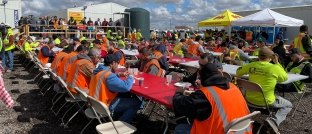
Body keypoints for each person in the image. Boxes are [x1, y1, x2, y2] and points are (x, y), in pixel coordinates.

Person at [173, 63, 251, 134]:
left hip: (218, 131)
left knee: (180, 128)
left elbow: (181, 104)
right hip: (242, 130)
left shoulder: (206, 95)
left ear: (202, 78)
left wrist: (178, 93)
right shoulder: (233, 87)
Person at [236, 48, 292, 127]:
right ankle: (274, 122)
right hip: (267, 101)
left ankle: (248, 114)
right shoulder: (274, 68)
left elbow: (238, 72)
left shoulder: (251, 65)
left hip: (249, 99)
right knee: (288, 105)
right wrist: (277, 63)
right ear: (270, 58)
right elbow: (285, 78)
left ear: (258, 56)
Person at [89, 54, 142, 123]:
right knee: (137, 102)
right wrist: (131, 76)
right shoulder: (109, 76)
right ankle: (122, 124)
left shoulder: (97, 71)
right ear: (113, 63)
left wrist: (118, 74)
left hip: (94, 102)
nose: (117, 66)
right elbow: (126, 87)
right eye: (117, 63)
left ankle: (117, 117)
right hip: (104, 105)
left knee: (124, 95)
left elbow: (105, 79)